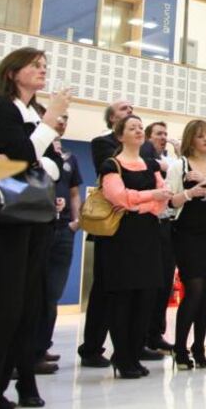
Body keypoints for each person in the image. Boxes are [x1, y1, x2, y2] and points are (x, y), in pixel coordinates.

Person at [0, 48, 69, 409]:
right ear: (12, 72)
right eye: (35, 65)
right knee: (4, 307)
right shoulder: (3, 108)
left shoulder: (34, 114)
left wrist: (31, 159)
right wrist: (43, 132)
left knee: (28, 307)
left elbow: (54, 165)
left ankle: (12, 385)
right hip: (7, 221)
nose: (42, 70)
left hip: (37, 218)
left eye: (44, 66)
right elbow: (19, 155)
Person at [99, 114, 172, 379]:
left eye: (141, 127)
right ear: (120, 135)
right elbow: (118, 198)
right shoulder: (112, 165)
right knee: (124, 298)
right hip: (122, 237)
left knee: (146, 296)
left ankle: (134, 353)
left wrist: (141, 203)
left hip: (149, 234)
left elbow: (164, 199)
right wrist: (150, 197)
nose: (139, 131)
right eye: (133, 128)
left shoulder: (151, 165)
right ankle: (122, 356)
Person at [166, 119, 206, 370]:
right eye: (201, 135)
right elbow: (169, 201)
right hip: (186, 231)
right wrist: (190, 193)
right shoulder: (178, 166)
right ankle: (180, 347)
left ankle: (200, 346)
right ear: (190, 140)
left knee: (205, 293)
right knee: (193, 290)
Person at [77, 99, 134, 369]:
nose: (130, 112)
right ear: (112, 119)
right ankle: (91, 348)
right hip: (109, 227)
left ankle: (128, 347)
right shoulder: (102, 143)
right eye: (124, 109)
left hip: (133, 227)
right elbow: (116, 172)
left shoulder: (142, 148)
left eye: (131, 109)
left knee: (129, 289)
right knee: (103, 289)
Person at [34, 116, 83, 370]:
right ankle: (27, 351)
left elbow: (74, 192)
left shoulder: (69, 159)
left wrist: (76, 222)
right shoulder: (33, 149)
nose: (62, 122)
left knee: (52, 293)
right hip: (39, 226)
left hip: (64, 229)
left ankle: (41, 347)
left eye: (66, 118)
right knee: (35, 291)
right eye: (58, 117)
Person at [140, 121, 177, 355]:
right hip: (149, 225)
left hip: (168, 226)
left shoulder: (170, 161)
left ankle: (156, 334)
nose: (163, 137)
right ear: (148, 137)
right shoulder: (145, 158)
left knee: (164, 283)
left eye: (165, 134)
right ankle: (143, 336)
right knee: (150, 284)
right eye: (158, 134)